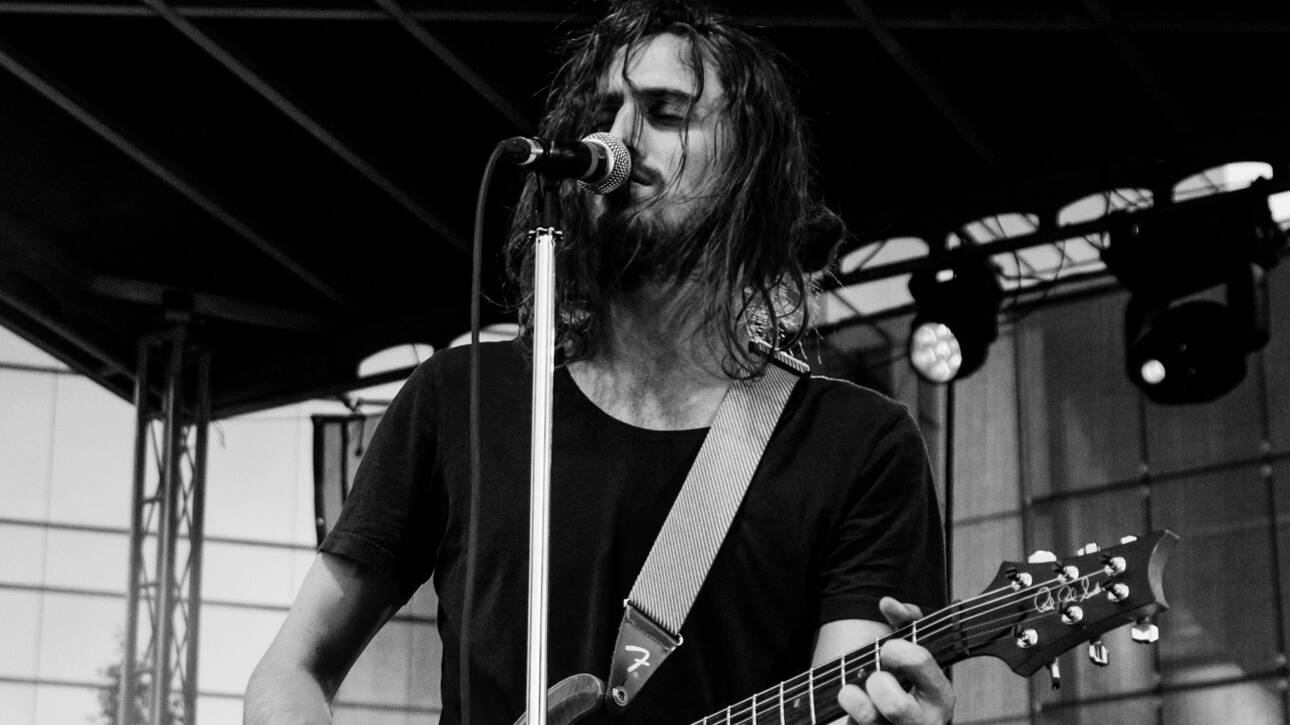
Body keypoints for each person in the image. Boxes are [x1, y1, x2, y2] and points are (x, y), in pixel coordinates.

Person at [245, 2, 953, 724]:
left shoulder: (855, 445)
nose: (616, 137)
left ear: (752, 166)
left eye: (666, 111)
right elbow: (289, 670)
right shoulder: (461, 397)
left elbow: (850, 699)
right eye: (604, 111)